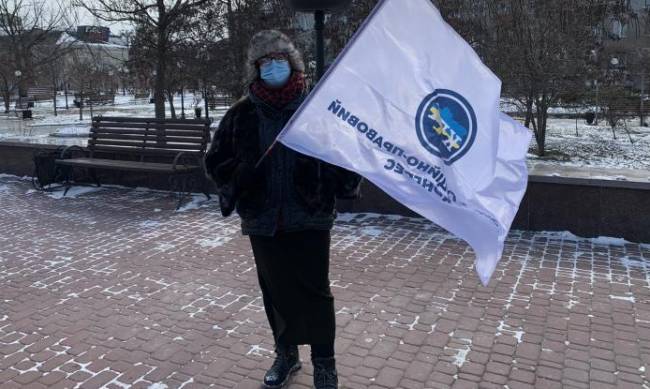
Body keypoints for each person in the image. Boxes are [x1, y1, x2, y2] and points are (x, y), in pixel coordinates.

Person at [204, 30, 362, 389]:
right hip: (262, 218)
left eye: (279, 60)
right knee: (275, 292)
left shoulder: (316, 108)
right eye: (264, 62)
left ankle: (325, 363)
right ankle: (286, 355)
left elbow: (346, 158)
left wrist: (339, 182)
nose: (272, 67)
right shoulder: (241, 114)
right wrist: (240, 180)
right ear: (255, 70)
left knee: (316, 293)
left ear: (293, 64)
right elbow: (215, 160)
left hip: (310, 216)